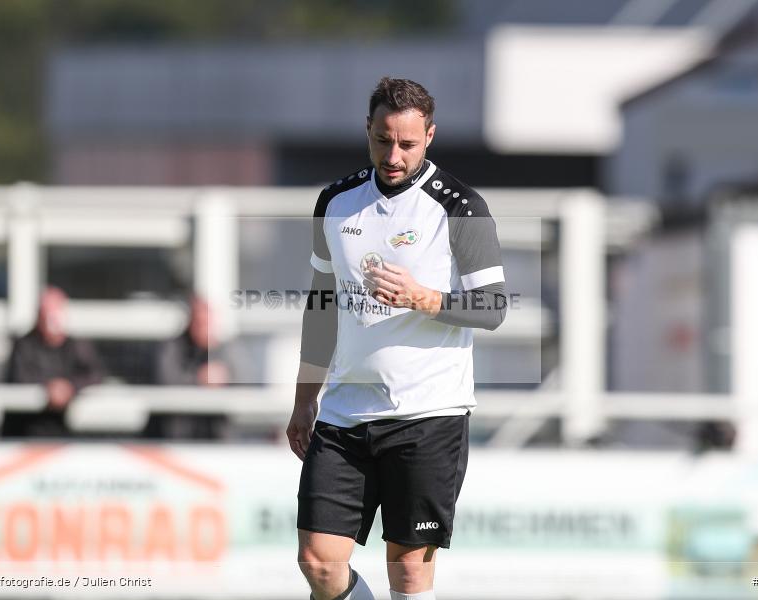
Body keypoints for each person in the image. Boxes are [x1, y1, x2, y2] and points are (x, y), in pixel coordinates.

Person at [286, 77, 507, 600]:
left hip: (428, 416)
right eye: (383, 140)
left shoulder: (460, 206)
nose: (393, 154)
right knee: (318, 562)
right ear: (368, 131)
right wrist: (303, 400)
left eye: (407, 143)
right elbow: (322, 307)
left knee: (408, 574)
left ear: (429, 136)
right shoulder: (336, 201)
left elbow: (494, 308)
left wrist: (424, 298)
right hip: (344, 415)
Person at [1, 287, 104, 437]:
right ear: (39, 317)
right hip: (24, 430)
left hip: (61, 430)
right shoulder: (24, 345)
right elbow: (20, 377)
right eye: (48, 315)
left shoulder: (74, 346)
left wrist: (69, 387)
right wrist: (49, 388)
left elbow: (95, 373)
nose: (53, 321)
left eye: (56, 315)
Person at [146, 295, 231, 439]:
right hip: (175, 430)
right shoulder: (172, 347)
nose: (204, 326)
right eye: (200, 322)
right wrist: (199, 379)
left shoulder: (224, 349)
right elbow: (166, 381)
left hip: (213, 432)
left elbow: (243, 378)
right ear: (190, 322)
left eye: (207, 322)